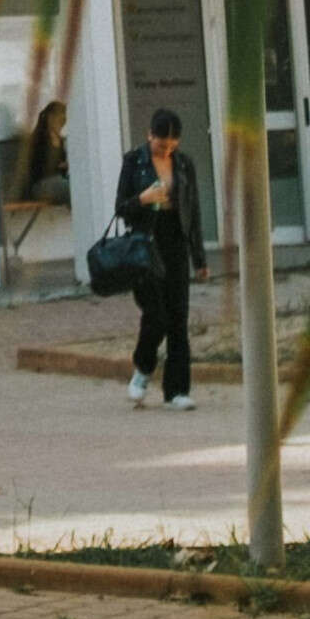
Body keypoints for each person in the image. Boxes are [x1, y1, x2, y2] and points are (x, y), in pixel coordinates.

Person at [114, 107, 204, 409]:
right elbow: (121, 207)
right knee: (156, 314)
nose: (165, 150)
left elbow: (194, 212)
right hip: (145, 243)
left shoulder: (184, 164)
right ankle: (143, 366)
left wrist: (199, 257)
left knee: (178, 317)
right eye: (160, 144)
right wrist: (144, 199)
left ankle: (177, 390)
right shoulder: (134, 161)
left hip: (175, 241)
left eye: (171, 145)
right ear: (149, 135)